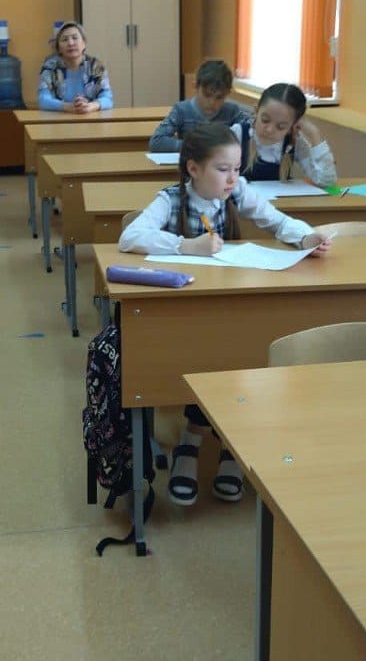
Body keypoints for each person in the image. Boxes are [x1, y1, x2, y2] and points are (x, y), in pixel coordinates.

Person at [119, 123, 332, 504]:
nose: (233, 178)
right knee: (207, 357)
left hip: (228, 305)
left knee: (245, 351)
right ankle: (191, 439)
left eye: (236, 168)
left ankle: (229, 443)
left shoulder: (238, 191)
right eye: (222, 169)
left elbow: (276, 220)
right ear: (193, 169)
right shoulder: (170, 200)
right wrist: (185, 245)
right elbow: (130, 237)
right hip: (184, 314)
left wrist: (305, 236)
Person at [235, 82, 337, 186]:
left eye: (281, 127)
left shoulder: (294, 142)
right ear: (256, 111)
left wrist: (314, 133)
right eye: (265, 120)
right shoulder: (237, 134)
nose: (269, 130)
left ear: (292, 126)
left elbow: (326, 181)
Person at [149, 58, 251, 153]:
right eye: (207, 95)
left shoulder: (232, 111)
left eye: (219, 97)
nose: (212, 102)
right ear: (195, 87)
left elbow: (252, 131)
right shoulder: (181, 110)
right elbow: (156, 142)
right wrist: (195, 147)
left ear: (228, 93)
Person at [37, 21, 113, 112]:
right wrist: (68, 107)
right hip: (60, 118)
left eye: (75, 38)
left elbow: (107, 98)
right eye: (64, 39)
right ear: (58, 48)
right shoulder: (50, 68)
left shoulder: (95, 66)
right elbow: (43, 100)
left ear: (84, 43)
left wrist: (91, 106)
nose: (70, 43)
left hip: (90, 117)